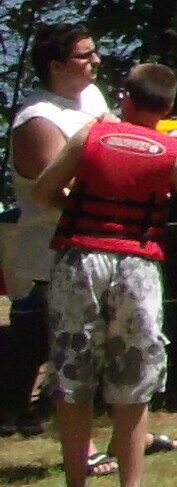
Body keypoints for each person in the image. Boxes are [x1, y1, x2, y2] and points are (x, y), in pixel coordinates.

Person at [20, 56, 177, 487]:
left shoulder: (89, 136)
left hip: (80, 259)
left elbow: (43, 192)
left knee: (73, 376)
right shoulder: (169, 151)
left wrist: (77, 204)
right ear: (168, 106)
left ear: (125, 97)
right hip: (136, 263)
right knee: (134, 376)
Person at [7, 24, 110, 431]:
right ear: (55, 66)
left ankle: (114, 430)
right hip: (53, 253)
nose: (96, 61)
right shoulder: (37, 119)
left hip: (98, 242)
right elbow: (56, 192)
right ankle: (30, 416)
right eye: (85, 55)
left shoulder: (91, 97)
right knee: (63, 346)